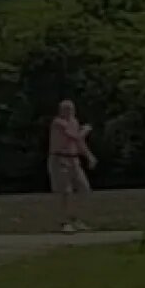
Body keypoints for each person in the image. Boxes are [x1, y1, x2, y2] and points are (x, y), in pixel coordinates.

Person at [48, 99, 97, 234]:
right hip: (59, 159)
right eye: (66, 109)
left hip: (74, 160)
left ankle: (76, 219)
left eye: (71, 109)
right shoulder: (58, 123)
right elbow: (74, 137)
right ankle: (65, 222)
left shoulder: (74, 122)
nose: (69, 112)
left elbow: (79, 143)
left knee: (84, 189)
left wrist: (89, 156)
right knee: (66, 192)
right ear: (60, 110)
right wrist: (85, 131)